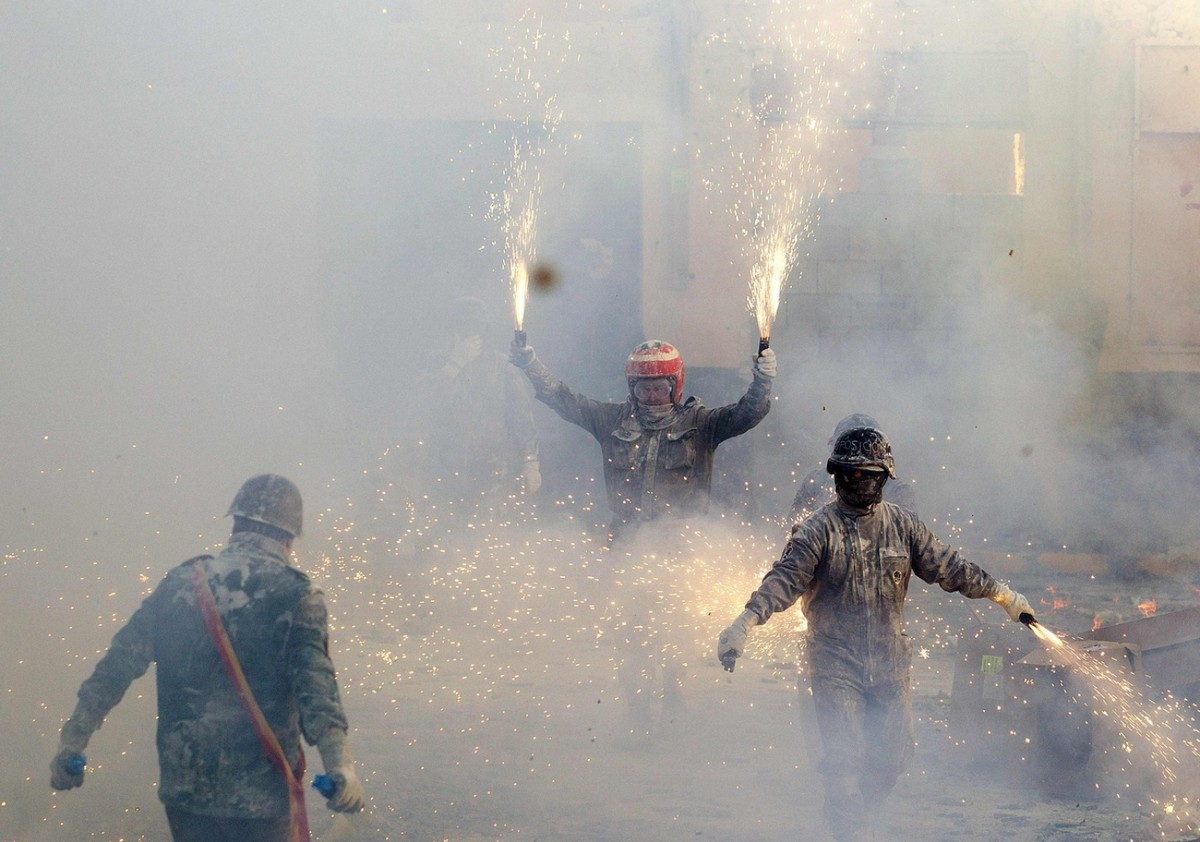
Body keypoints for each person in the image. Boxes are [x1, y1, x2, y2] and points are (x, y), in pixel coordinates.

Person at [717, 426, 1034, 841]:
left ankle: (853, 819)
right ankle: (848, 826)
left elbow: (951, 567)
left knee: (892, 760)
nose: (857, 482)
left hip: (890, 662)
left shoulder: (904, 527)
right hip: (833, 662)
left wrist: (1004, 597)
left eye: (867, 474)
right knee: (843, 762)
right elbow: (783, 580)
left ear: (884, 477)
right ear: (835, 475)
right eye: (848, 474)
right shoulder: (817, 531)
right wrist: (745, 621)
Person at [50, 474, 365, 841]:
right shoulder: (295, 596)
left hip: (186, 790)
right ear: (289, 537)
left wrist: (72, 742)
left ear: (235, 524)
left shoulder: (182, 583)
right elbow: (317, 691)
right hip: (260, 798)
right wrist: (340, 766)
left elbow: (116, 668)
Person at [509, 338, 775, 539]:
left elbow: (747, 413)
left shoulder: (700, 423)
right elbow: (565, 400)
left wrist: (763, 380)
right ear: (631, 387)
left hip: (683, 540)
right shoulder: (612, 420)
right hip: (625, 537)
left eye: (659, 388)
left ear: (676, 386)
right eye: (643, 388)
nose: (650, 395)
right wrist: (532, 366)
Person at [421, 295, 541, 499]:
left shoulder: (502, 366)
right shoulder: (438, 363)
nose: (468, 332)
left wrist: (530, 462)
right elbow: (423, 407)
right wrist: (454, 364)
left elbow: (522, 420)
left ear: (484, 330)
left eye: (474, 326)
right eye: (462, 326)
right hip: (446, 467)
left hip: (493, 468)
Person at [790, 413, 918, 522]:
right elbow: (791, 529)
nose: (857, 474)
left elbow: (909, 539)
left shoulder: (898, 491)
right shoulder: (815, 482)